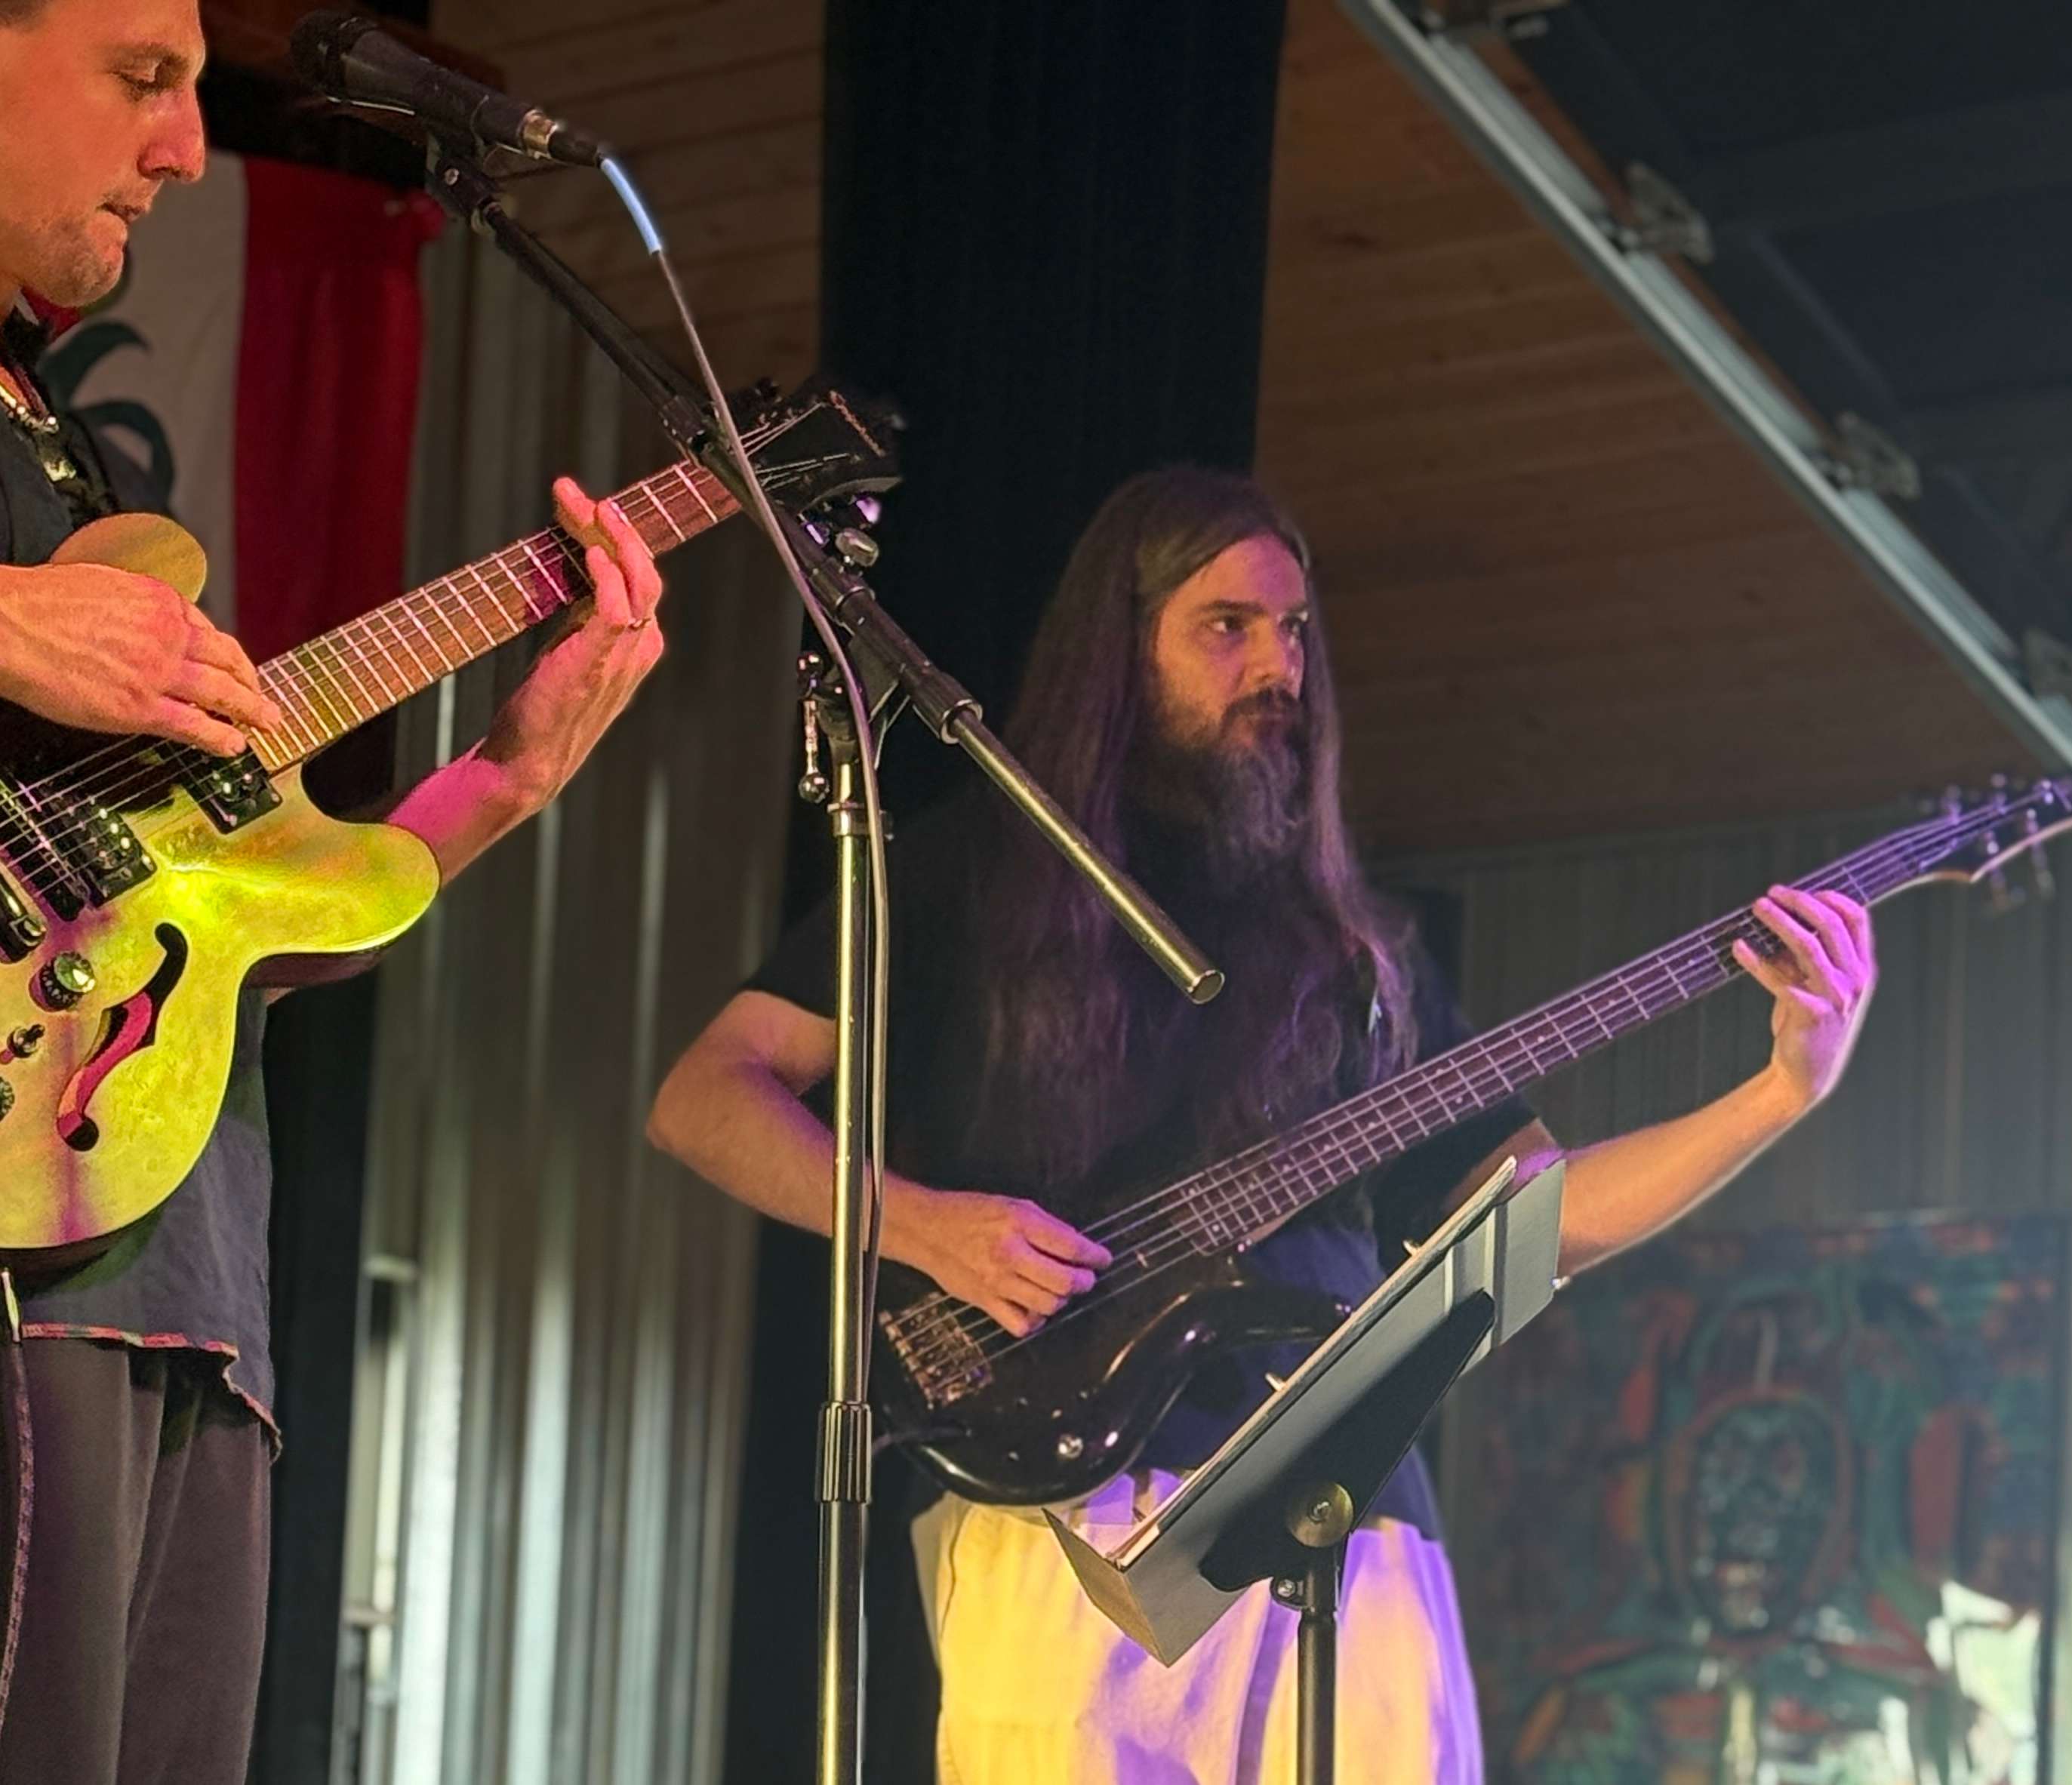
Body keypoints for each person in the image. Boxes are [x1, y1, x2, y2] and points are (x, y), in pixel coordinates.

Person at [650, 464, 1879, 1783]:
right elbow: (706, 1095)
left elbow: (1542, 1218)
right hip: (1063, 1508)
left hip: (1350, 1516)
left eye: (1293, 630)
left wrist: (1778, 1092)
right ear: (1121, 650)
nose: (1278, 668)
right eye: (1225, 627)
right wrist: (921, 1225)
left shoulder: (1355, 948)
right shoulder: (969, 873)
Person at [0, 2, 668, 1779]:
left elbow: (216, 916)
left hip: (185, 1257)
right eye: (142, 79)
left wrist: (506, 776)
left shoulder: (64, 445)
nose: (184, 148)